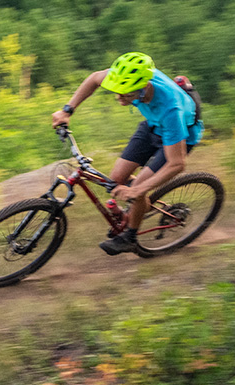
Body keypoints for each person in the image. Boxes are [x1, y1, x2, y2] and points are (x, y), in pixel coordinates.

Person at [48, 52, 203, 256]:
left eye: (126, 94)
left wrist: (138, 191)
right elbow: (94, 78)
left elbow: (177, 164)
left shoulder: (171, 110)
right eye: (117, 92)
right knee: (117, 178)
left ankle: (130, 237)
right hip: (152, 125)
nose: (119, 99)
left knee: (138, 189)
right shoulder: (127, 78)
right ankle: (140, 205)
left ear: (144, 87)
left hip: (177, 135)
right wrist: (67, 110)